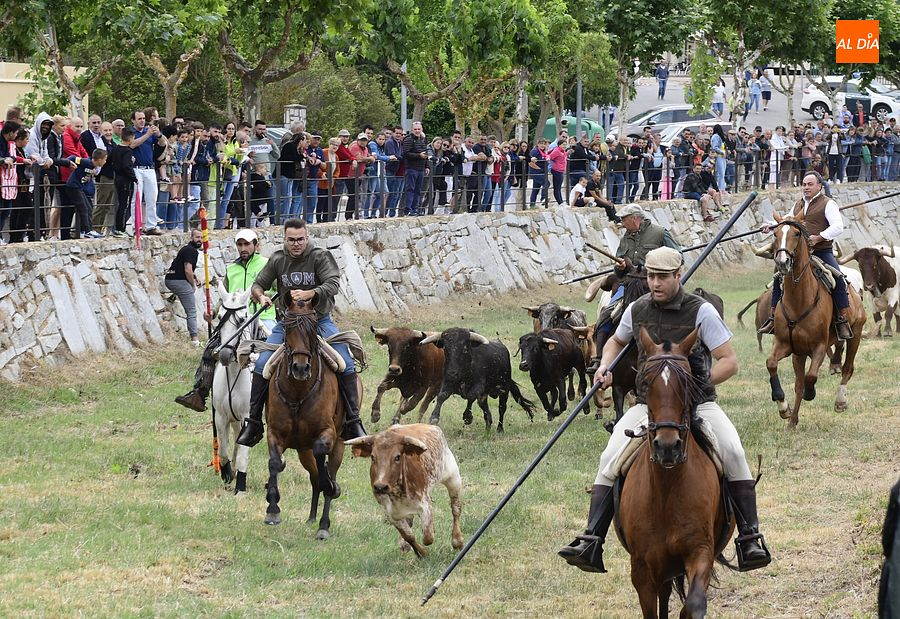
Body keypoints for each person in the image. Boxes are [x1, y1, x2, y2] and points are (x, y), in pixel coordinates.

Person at [559, 246, 772, 573]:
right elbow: (616, 341)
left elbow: (729, 362)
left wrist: (692, 386)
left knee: (733, 451)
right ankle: (592, 539)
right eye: (651, 277)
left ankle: (749, 537)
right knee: (609, 457)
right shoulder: (637, 308)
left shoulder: (701, 312)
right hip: (647, 405)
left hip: (698, 403)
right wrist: (605, 365)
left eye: (662, 277)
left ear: (678, 276)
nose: (655, 283)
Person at [235, 218, 366, 447]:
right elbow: (258, 284)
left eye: (300, 239)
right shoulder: (278, 259)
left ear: (307, 237)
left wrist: (310, 293)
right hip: (288, 324)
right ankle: (254, 423)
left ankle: (353, 420)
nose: (296, 244)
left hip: (320, 321)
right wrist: (261, 296)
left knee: (345, 362)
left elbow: (333, 284)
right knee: (261, 364)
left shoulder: (319, 256)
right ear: (284, 239)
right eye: (291, 240)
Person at [175, 228, 277, 412]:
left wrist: (263, 295)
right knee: (209, 349)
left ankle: (276, 397)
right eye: (240, 244)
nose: (243, 248)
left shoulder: (267, 264)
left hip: (262, 316)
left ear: (256, 245)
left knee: (273, 351)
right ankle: (200, 393)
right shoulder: (232, 269)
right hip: (234, 320)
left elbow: (279, 289)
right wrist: (213, 313)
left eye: (247, 244)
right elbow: (225, 297)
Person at [758, 172, 853, 340]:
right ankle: (773, 317)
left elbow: (838, 226)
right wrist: (770, 226)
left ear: (819, 186)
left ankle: (842, 320)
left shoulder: (828, 204)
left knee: (838, 279)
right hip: (799, 254)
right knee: (778, 279)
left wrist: (820, 236)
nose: (806, 187)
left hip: (822, 252)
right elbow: (788, 221)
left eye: (810, 184)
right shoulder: (798, 204)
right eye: (804, 184)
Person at [165, 229, 203, 346]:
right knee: (191, 310)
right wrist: (192, 285)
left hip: (170, 279)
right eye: (197, 237)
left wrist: (195, 277)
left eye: (201, 237)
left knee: (184, 290)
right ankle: (195, 340)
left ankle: (173, 296)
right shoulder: (192, 251)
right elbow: (187, 270)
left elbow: (184, 268)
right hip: (178, 281)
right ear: (191, 238)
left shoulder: (186, 249)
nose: (200, 240)